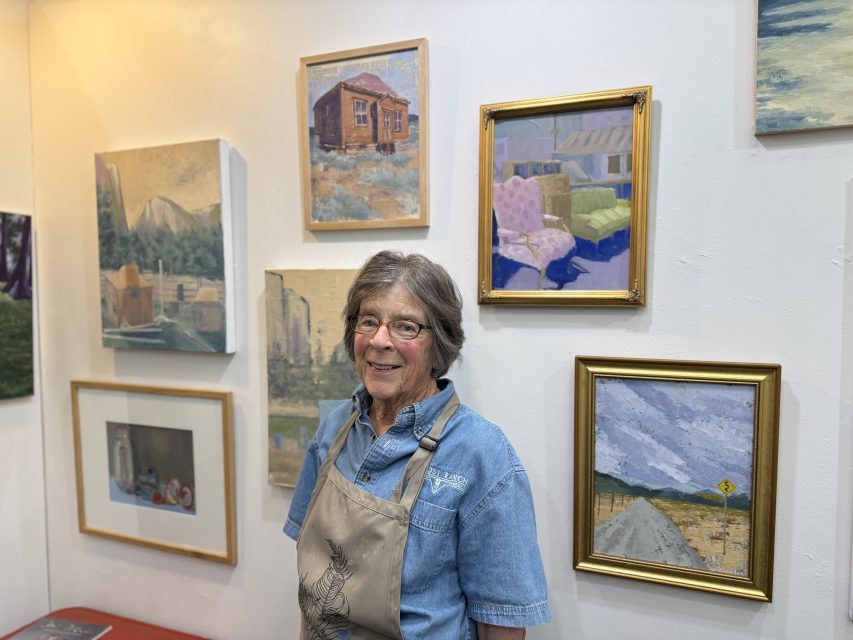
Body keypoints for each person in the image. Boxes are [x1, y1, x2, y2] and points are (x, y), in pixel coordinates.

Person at [284, 251, 550, 639]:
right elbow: (313, 590)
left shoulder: (481, 454)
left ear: (438, 345)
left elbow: (501, 625)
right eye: (368, 320)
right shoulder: (335, 428)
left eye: (405, 327)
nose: (379, 340)